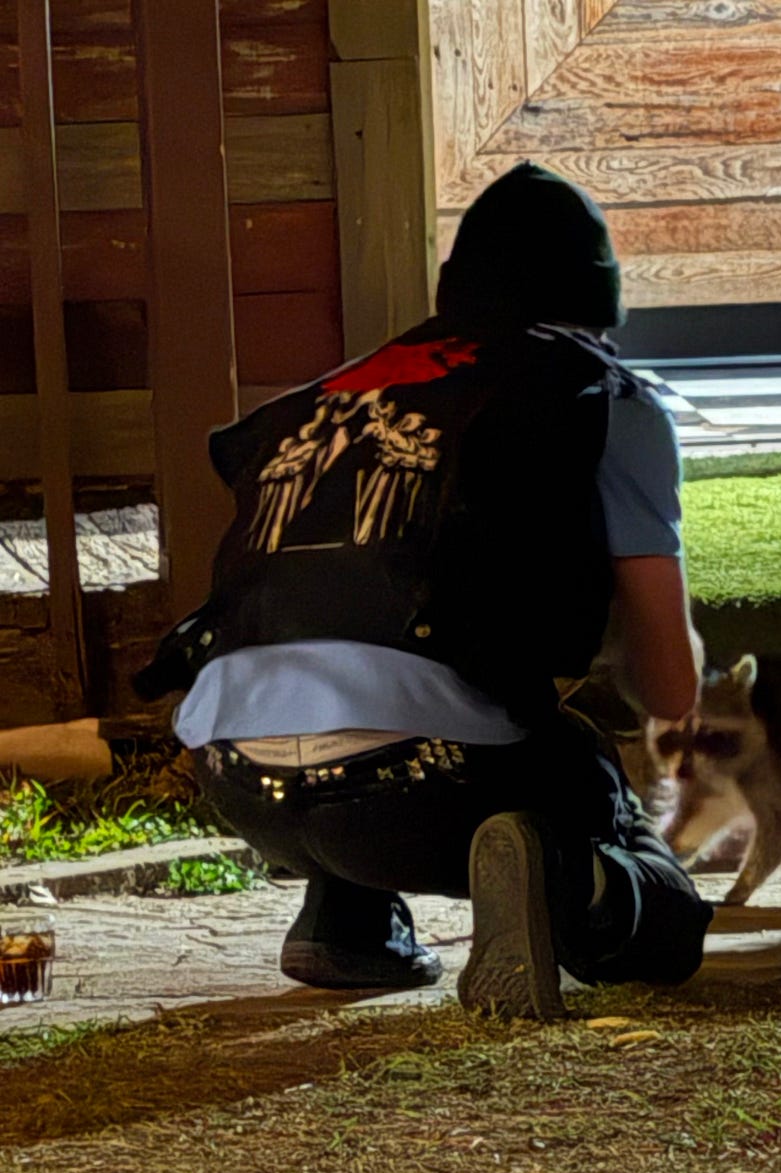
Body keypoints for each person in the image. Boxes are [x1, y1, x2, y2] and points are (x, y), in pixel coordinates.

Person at [135, 162, 713, 1019]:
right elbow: (669, 688)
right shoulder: (601, 397)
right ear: (599, 299)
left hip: (233, 779)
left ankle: (345, 924)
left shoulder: (321, 397)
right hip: (426, 794)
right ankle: (568, 876)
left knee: (363, 669)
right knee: (585, 780)